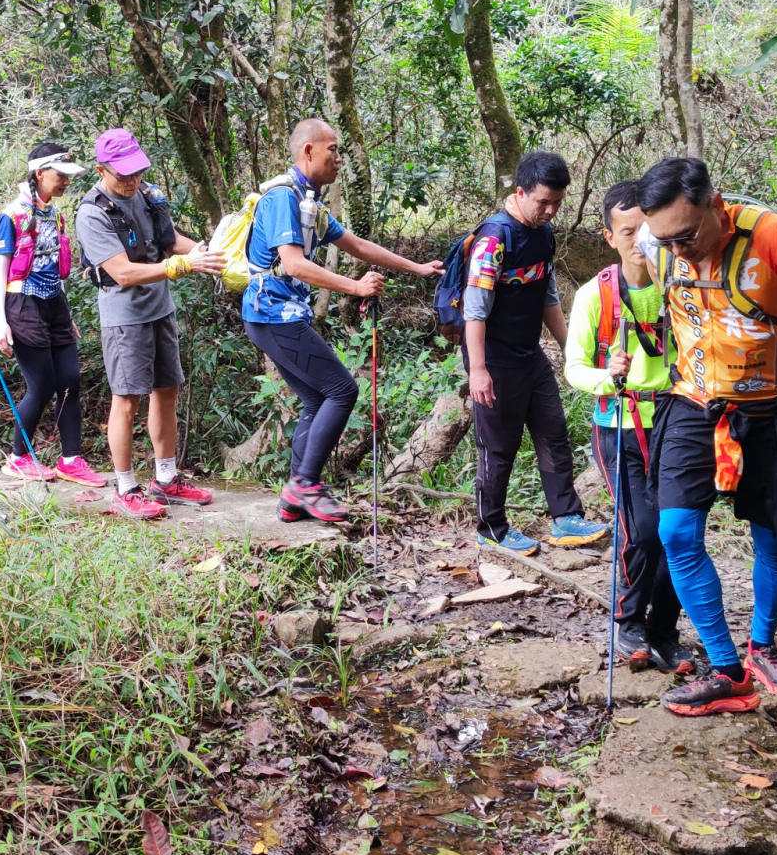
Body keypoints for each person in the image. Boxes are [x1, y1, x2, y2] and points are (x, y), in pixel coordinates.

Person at [629, 156, 777, 717]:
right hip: (693, 403)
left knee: (774, 532)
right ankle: (726, 668)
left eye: (686, 236)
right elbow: (639, 277)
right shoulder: (656, 239)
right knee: (677, 532)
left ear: (715, 205)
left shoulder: (773, 235)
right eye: (666, 240)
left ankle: (763, 647)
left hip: (770, 408)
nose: (677, 249)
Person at [242, 119, 442, 523]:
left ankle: (295, 494)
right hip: (272, 314)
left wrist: (416, 267)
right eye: (331, 149)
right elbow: (295, 265)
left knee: (317, 398)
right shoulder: (283, 197)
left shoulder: (309, 203)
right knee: (341, 390)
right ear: (308, 152)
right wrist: (355, 288)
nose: (338, 157)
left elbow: (358, 245)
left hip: (279, 316)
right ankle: (306, 485)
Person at [563, 181, 694, 674]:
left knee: (676, 531)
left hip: (674, 422)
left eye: (646, 229)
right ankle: (628, 621)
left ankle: (664, 630)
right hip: (617, 425)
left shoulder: (678, 284)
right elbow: (573, 367)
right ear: (609, 236)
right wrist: (607, 375)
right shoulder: (594, 295)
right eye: (627, 231)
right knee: (641, 530)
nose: (639, 240)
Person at [74, 128, 228, 519]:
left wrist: (205, 252)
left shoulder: (144, 194)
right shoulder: (92, 212)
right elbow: (122, 273)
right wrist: (183, 266)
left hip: (161, 310)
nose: (131, 181)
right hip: (125, 318)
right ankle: (125, 488)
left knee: (167, 390)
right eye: (122, 175)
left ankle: (166, 478)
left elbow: (169, 239)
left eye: (136, 173)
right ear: (101, 169)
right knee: (126, 400)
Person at [463, 150, 610, 555]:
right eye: (543, 201)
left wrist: (569, 349)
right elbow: (475, 309)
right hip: (492, 357)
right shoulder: (495, 237)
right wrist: (478, 370)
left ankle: (566, 518)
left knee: (552, 432)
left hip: (529, 352)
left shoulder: (544, 234)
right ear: (521, 191)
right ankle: (491, 526)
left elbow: (546, 295)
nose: (550, 210)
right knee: (498, 445)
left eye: (557, 203)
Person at [0, 142, 104, 486]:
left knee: (69, 380)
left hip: (55, 303)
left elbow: (53, 265)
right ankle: (18, 457)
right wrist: (0, 323)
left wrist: (65, 313)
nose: (65, 182)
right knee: (41, 384)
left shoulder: (54, 214)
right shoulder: (10, 216)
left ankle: (71, 459)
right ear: (40, 173)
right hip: (21, 305)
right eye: (60, 175)